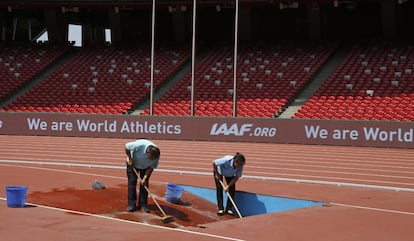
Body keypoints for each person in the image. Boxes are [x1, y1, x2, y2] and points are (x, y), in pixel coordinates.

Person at [125, 139, 160, 213]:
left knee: (144, 184)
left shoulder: (156, 155)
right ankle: (131, 205)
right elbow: (126, 146)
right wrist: (130, 159)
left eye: (152, 159)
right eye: (150, 158)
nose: (151, 159)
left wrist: (144, 178)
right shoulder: (140, 145)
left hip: (145, 168)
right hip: (133, 164)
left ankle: (143, 205)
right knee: (132, 182)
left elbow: (151, 167)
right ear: (147, 152)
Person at [212, 152, 246, 216]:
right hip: (219, 172)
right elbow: (214, 162)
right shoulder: (226, 160)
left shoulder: (240, 166)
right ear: (235, 162)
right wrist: (217, 174)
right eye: (239, 165)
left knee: (232, 189)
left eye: (241, 165)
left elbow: (236, 177)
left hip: (230, 175)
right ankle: (221, 208)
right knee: (219, 188)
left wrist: (228, 186)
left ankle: (229, 208)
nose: (240, 167)